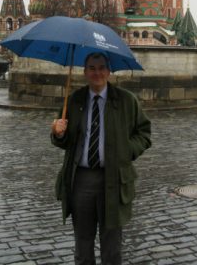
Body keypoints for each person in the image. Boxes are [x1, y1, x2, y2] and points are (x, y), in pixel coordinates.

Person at [51, 52, 151, 265]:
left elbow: (144, 133)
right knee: (83, 243)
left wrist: (126, 151)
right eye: (92, 68)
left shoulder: (126, 100)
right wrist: (58, 133)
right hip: (81, 180)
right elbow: (65, 141)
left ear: (109, 70)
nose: (97, 72)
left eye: (101, 67)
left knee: (112, 245)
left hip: (114, 179)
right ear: (84, 72)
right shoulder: (75, 100)